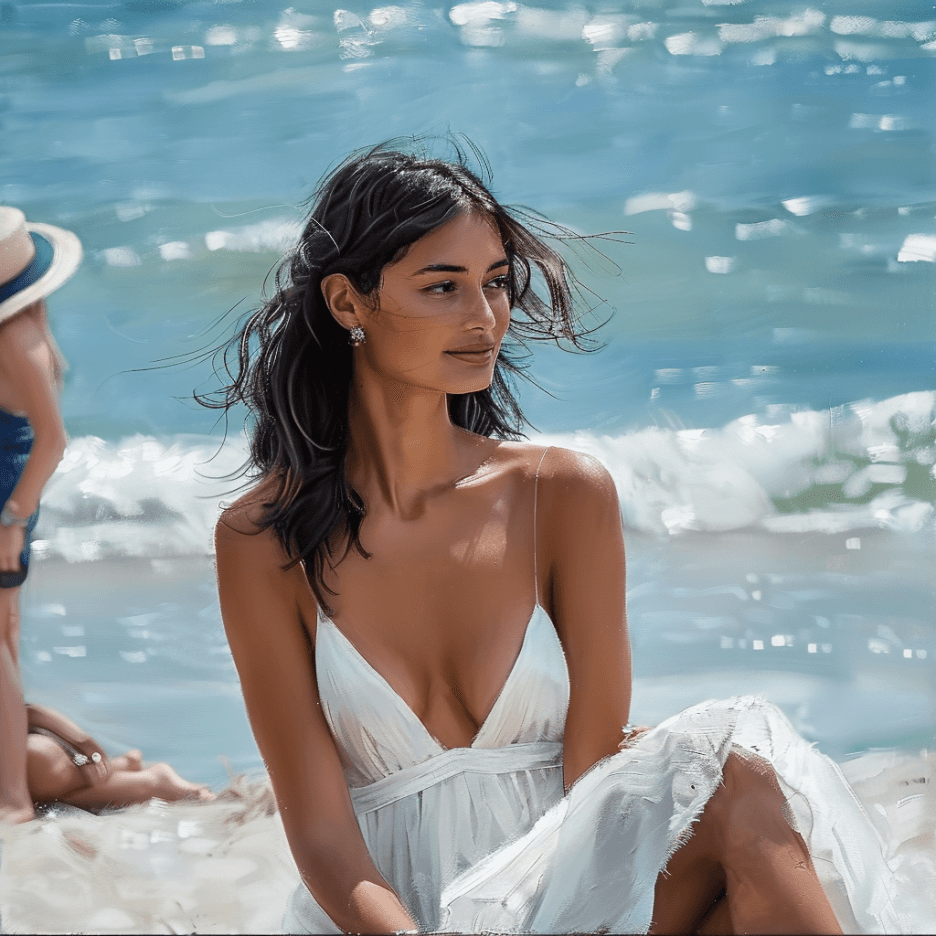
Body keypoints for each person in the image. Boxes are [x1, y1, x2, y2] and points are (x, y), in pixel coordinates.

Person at [210, 143, 907, 934]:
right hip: (390, 913)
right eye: (443, 287)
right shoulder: (262, 540)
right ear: (347, 303)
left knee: (742, 782)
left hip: (560, 885)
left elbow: (593, 776)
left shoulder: (559, 495)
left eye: (497, 283)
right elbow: (321, 834)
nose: (484, 318)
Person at [0, 207, 80, 825]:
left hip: (5, 503)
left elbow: (52, 441)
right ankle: (31, 756)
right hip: (10, 501)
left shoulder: (13, 339)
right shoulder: (26, 329)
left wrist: (13, 521)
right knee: (4, 641)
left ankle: (13, 804)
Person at [25, 702, 215, 810]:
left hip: (33, 759)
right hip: (35, 753)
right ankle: (132, 770)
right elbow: (28, 710)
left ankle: (150, 779)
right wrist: (86, 745)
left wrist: (87, 746)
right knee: (64, 794)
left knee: (42, 788)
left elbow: (27, 711)